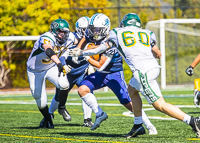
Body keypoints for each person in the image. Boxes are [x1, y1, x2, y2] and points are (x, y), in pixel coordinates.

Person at [69, 13, 200, 138]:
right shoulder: (147, 33)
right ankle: (138, 125)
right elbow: (158, 54)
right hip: (152, 67)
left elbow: (99, 49)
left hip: (142, 72)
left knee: (160, 105)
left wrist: (80, 53)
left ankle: (193, 121)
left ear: (123, 24)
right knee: (132, 90)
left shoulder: (116, 33)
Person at [71, 13, 157, 134]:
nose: (93, 32)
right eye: (92, 29)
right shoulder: (94, 34)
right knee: (82, 89)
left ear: (105, 28)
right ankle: (100, 114)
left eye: (96, 30)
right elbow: (85, 38)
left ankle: (149, 125)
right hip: (101, 75)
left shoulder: (113, 39)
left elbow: (101, 66)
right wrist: (79, 49)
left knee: (128, 103)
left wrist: (85, 57)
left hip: (114, 74)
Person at [27, 18, 76, 128]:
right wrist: (59, 63)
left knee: (64, 84)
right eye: (60, 32)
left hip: (50, 67)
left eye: (65, 32)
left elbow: (79, 41)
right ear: (53, 31)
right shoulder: (47, 37)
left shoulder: (71, 37)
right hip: (35, 71)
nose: (62, 35)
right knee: (41, 102)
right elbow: (48, 50)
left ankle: (62, 108)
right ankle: (48, 119)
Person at [46, 16, 94, 127]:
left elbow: (97, 54)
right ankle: (48, 115)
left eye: (88, 29)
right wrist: (63, 65)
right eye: (84, 29)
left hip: (82, 71)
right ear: (78, 28)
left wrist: (92, 66)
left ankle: (87, 119)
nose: (86, 32)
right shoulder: (71, 38)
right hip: (69, 72)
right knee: (59, 96)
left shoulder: (93, 39)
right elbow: (62, 55)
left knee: (87, 92)